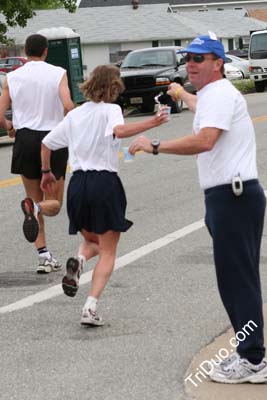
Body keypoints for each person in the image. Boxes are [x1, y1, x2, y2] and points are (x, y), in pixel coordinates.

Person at [129, 34, 267, 384]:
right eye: (188, 57)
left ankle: (253, 359)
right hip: (228, 197)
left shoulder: (219, 94)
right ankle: (248, 350)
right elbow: (201, 107)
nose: (191, 63)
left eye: (200, 58)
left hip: (233, 197)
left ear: (218, 63)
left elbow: (205, 141)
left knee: (238, 282)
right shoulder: (209, 95)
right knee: (234, 279)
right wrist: (180, 94)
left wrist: (154, 144)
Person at [40, 64, 168, 326]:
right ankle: (90, 306)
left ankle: (79, 260)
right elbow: (118, 131)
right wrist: (152, 122)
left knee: (92, 241)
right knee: (109, 250)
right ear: (114, 86)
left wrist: (46, 172)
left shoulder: (74, 115)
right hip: (104, 182)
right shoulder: (111, 110)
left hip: (78, 183)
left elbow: (47, 144)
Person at [0, 34, 74, 274]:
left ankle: (44, 257)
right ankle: (36, 209)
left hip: (25, 139)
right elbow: (68, 104)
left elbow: (1, 111)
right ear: (45, 51)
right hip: (52, 139)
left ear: (25, 50)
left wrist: (9, 127)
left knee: (32, 198)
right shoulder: (58, 72)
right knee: (53, 203)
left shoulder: (12, 76)